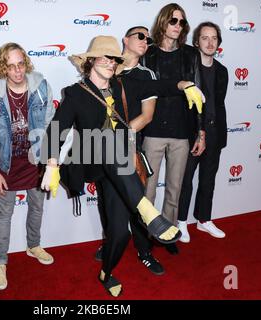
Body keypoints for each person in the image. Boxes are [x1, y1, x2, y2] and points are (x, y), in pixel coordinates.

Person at [40, 35, 203, 297]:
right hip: (91, 158)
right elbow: (56, 129)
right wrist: (51, 164)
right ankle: (148, 211)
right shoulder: (75, 93)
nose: (109, 62)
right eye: (103, 57)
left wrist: (186, 84)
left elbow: (162, 85)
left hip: (119, 167)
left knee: (120, 234)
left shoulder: (124, 85)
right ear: (90, 61)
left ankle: (106, 272)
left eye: (113, 58)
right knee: (107, 141)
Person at [0, 43, 56, 290]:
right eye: (11, 66)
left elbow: (50, 126)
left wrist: (50, 162)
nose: (17, 71)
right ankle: (0, 261)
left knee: (37, 207)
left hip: (36, 159)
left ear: (26, 63)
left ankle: (33, 245)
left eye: (21, 64)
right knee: (4, 214)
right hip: (7, 162)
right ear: (3, 68)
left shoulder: (42, 87)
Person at [95, 26, 165, 276]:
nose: (146, 41)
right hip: (101, 147)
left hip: (129, 147)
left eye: (149, 38)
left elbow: (147, 116)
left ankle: (144, 251)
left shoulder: (147, 75)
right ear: (125, 40)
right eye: (140, 36)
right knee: (106, 200)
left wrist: (119, 136)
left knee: (137, 202)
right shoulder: (107, 67)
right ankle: (111, 242)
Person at [142, 3, 205, 255]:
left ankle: (167, 235)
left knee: (174, 189)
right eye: (173, 21)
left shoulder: (190, 54)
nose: (178, 26)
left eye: (181, 22)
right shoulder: (149, 53)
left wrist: (200, 131)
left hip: (182, 131)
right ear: (163, 23)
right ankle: (146, 235)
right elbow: (144, 91)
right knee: (147, 190)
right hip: (153, 130)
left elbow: (199, 94)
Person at [177, 22, 228, 241]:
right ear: (196, 41)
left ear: (218, 42)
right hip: (191, 133)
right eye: (205, 38)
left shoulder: (223, 71)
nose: (210, 42)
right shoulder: (188, 69)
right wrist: (199, 131)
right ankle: (180, 222)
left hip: (215, 132)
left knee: (208, 179)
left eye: (214, 38)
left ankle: (204, 220)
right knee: (185, 179)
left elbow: (218, 103)